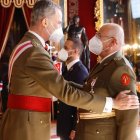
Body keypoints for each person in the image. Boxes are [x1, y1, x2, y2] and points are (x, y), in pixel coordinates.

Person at [0, 1, 139, 140]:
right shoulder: (34, 51)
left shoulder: (28, 45)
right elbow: (64, 91)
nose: (60, 28)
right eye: (58, 22)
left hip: (24, 122)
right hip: (26, 126)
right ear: (45, 22)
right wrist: (112, 103)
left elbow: (129, 115)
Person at [75, 23, 139, 140]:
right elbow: (88, 92)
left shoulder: (119, 68)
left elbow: (129, 116)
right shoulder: (103, 64)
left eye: (99, 36)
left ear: (113, 42)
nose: (95, 39)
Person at [57, 38, 89, 140]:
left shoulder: (79, 71)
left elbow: (81, 103)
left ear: (75, 51)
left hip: (71, 127)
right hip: (65, 124)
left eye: (66, 48)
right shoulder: (67, 69)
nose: (63, 50)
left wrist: (75, 128)